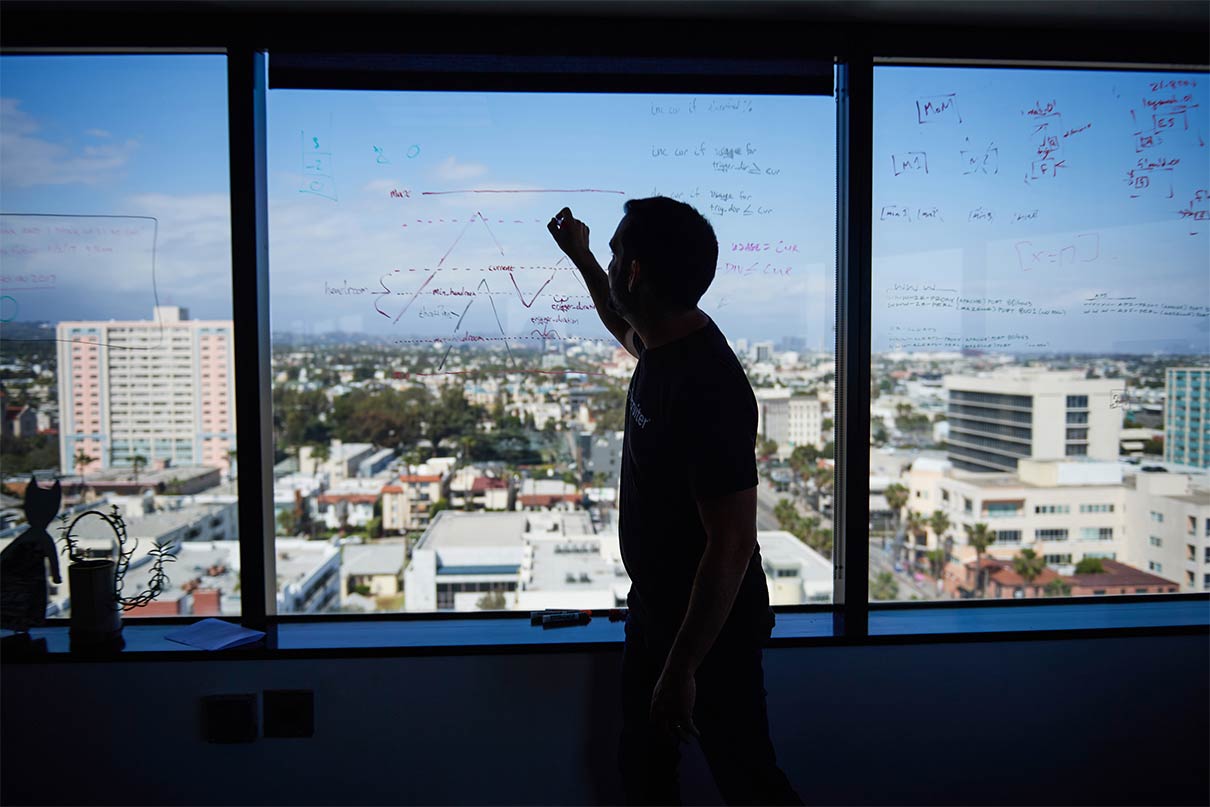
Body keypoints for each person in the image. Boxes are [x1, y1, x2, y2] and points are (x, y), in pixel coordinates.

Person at [548, 198, 802, 806]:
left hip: (708, 632)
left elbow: (732, 542)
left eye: (612, 253)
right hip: (660, 612)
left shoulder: (707, 387)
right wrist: (583, 259)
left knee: (747, 780)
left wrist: (684, 666)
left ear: (634, 271)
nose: (608, 264)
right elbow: (622, 324)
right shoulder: (668, 341)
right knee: (645, 774)